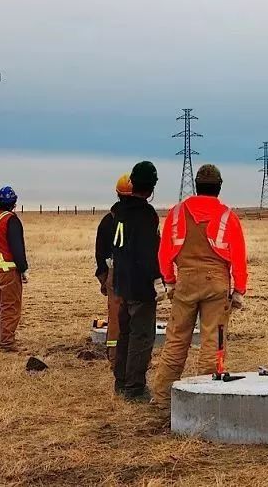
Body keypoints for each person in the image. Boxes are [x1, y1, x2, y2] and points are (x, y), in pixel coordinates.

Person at [153, 164, 247, 408]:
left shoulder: (176, 213)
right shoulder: (227, 216)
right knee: (213, 343)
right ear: (219, 187)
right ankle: (206, 399)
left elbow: (164, 254)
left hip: (184, 282)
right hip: (217, 285)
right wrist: (239, 290)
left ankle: (163, 398)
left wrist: (171, 281)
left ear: (196, 185)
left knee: (175, 341)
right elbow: (238, 256)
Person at [110, 161, 163, 401]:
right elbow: (146, 252)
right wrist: (157, 279)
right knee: (141, 336)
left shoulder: (120, 212)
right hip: (141, 286)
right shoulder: (145, 215)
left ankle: (121, 381)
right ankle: (135, 388)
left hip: (122, 282)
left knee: (125, 333)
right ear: (152, 187)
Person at [0, 185, 28, 351]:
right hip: (9, 271)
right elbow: (17, 247)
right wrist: (23, 269)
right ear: (14, 202)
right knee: (10, 307)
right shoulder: (11, 220)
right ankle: (7, 343)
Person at [95, 174, 133, 365]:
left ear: (117, 193)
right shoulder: (142, 219)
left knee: (116, 314)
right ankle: (133, 356)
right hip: (136, 274)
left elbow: (99, 252)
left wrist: (103, 277)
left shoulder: (108, 220)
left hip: (114, 273)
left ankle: (114, 354)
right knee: (137, 313)